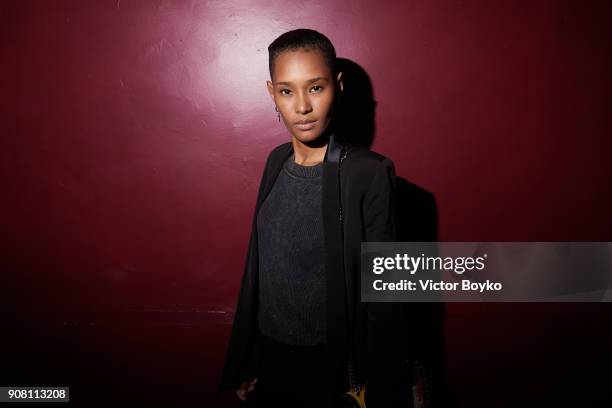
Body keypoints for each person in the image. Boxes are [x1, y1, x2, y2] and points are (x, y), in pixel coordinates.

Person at [216, 28, 413, 407]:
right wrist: (252, 360)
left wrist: (385, 386)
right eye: (287, 91)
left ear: (337, 87)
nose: (302, 107)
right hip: (271, 362)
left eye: (316, 88)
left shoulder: (368, 173)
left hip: (333, 369)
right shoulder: (275, 161)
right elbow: (266, 270)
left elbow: (388, 295)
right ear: (272, 93)